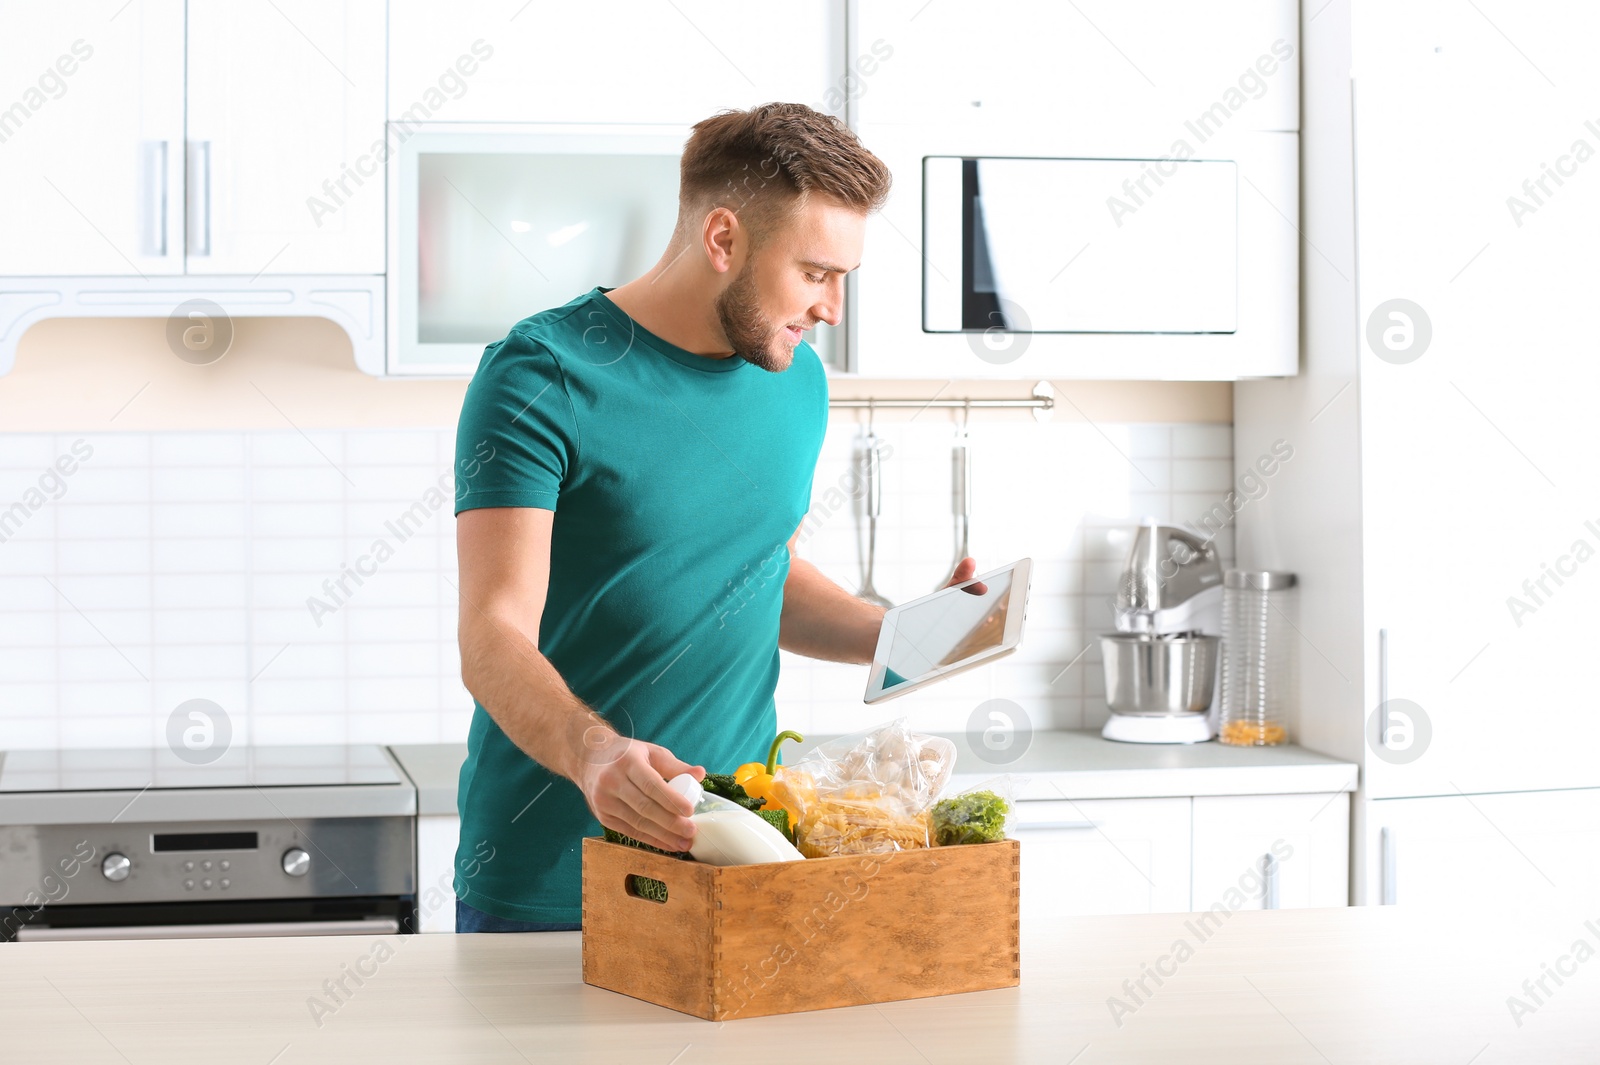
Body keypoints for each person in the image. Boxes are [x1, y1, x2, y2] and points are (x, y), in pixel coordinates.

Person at [450, 102, 982, 932]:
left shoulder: (794, 378)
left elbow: (756, 576)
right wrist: (596, 755)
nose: (833, 309)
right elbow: (491, 634)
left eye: (844, 277)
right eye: (814, 273)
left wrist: (901, 637)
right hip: (556, 877)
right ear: (723, 238)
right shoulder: (542, 374)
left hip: (740, 860)